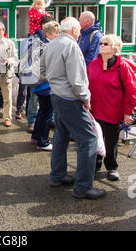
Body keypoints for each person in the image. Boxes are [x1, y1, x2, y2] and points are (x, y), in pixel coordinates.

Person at [41, 17, 106, 200]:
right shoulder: (71, 46)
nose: (79, 34)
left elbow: (42, 70)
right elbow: (77, 80)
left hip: (56, 94)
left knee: (61, 135)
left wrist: (55, 82)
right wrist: (86, 98)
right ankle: (84, 187)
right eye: (78, 31)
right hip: (69, 97)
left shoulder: (52, 44)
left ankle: (57, 175)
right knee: (89, 139)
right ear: (74, 30)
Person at [87, 34, 136, 181]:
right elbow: (86, 85)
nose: (102, 45)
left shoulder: (123, 67)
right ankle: (94, 165)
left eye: (106, 43)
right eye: (101, 43)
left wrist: (128, 113)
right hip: (94, 110)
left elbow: (131, 91)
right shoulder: (93, 64)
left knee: (110, 141)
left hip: (112, 111)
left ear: (115, 48)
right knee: (94, 138)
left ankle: (111, 167)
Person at [30, 21, 60, 151]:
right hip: (46, 84)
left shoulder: (39, 45)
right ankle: (42, 141)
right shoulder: (49, 46)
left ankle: (36, 137)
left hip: (38, 83)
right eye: (56, 33)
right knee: (47, 113)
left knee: (42, 112)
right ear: (48, 33)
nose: (58, 35)